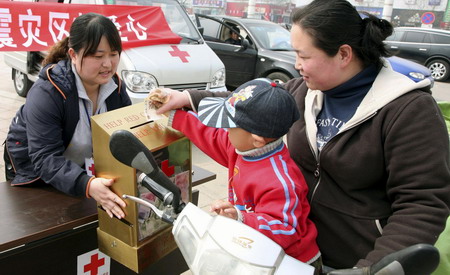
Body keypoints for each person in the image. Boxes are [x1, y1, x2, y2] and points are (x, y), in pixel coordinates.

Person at [154, 0, 450, 271]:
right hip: (283, 255)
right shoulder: (303, 92)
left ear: (344, 54)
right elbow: (249, 104)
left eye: (303, 55)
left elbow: (422, 204)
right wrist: (187, 98)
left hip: (351, 263)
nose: (295, 64)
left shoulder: (408, 110)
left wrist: (372, 268)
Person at [149, 78, 321, 272]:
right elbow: (210, 135)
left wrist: (242, 218)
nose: (223, 130)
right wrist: (175, 115)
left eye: (228, 125)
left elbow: (286, 229)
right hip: (258, 248)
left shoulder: (281, 181)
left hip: (289, 263)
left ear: (256, 140)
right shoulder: (243, 148)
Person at [3, 13, 130, 220]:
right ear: (73, 54)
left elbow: (124, 137)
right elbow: (44, 157)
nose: (108, 64)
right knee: (40, 229)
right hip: (34, 173)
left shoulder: (115, 88)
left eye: (114, 54)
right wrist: (87, 184)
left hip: (77, 169)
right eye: (97, 57)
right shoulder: (48, 92)